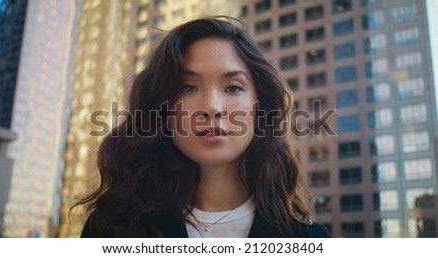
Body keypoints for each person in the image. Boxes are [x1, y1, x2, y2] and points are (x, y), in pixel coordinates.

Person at [77, 16, 330, 238]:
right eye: (188, 87)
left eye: (233, 87)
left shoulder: (308, 239)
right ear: (163, 109)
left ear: (259, 106)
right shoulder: (111, 229)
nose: (212, 107)